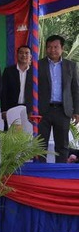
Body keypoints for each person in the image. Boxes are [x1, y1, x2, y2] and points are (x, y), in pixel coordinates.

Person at [38, 34, 79, 162]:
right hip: (42, 110)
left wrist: (76, 111)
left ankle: (60, 170)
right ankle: (40, 171)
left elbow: (75, 89)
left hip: (63, 110)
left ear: (62, 48)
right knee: (40, 145)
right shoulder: (38, 65)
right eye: (49, 47)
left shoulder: (70, 66)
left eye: (56, 47)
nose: (52, 50)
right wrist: (30, 109)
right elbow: (30, 88)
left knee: (62, 146)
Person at [1, 45, 33, 114]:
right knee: (13, 123)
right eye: (21, 53)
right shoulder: (8, 71)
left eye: (26, 53)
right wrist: (4, 110)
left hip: (29, 110)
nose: (24, 55)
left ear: (30, 56)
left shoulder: (35, 73)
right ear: (17, 55)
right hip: (11, 108)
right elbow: (3, 92)